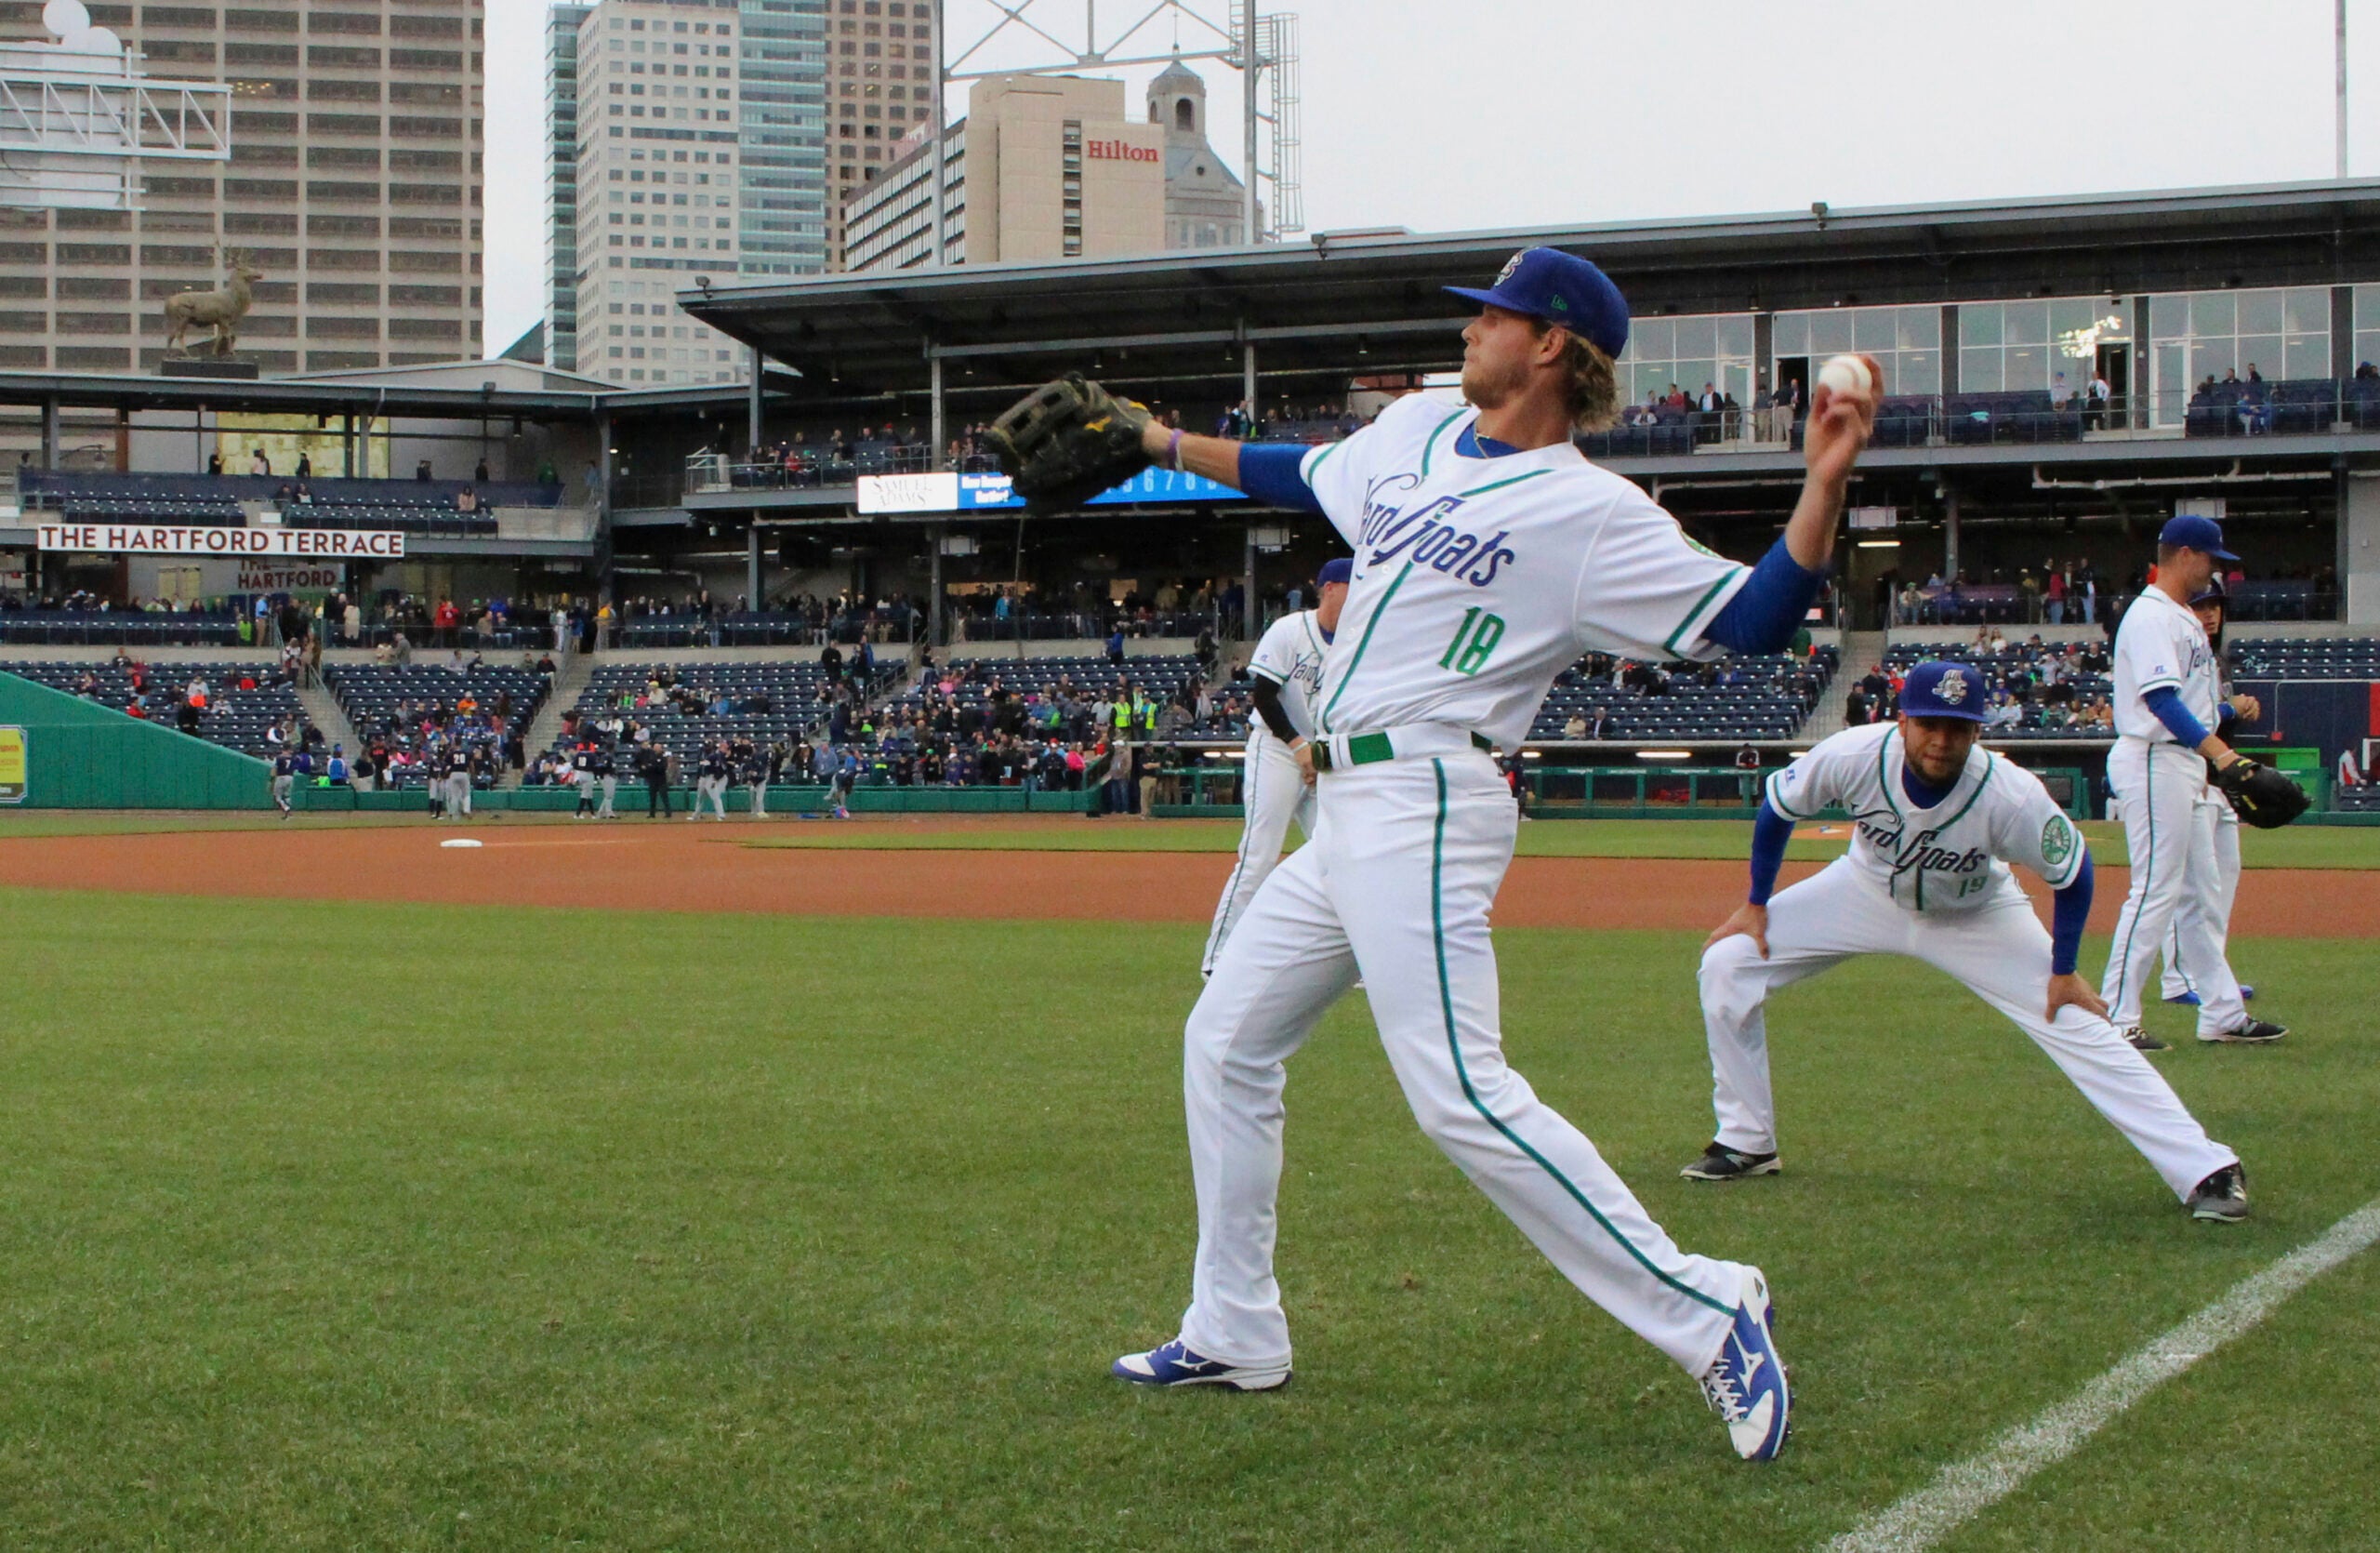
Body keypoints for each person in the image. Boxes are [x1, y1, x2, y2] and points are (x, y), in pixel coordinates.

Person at [1103, 247, 1878, 1462]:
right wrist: (1157, 441)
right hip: (1344, 803)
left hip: (1429, 792)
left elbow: (1758, 621)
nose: (1472, 331)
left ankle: (1706, 1306)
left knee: (1460, 1092)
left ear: (1554, 347)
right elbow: (1289, 470)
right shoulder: (1413, 429)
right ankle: (1234, 1323)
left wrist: (1822, 484)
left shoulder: (1588, 515)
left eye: (1497, 317)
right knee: (1225, 1041)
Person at [1688, 661, 2248, 1222]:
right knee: (1729, 962)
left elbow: (2073, 873)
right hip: (1863, 889)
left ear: (1978, 732)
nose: (1940, 740)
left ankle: (2206, 1168)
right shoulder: (1852, 754)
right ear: (1902, 720)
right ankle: (1747, 1138)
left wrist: (2064, 968)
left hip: (1977, 912)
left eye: (1957, 727)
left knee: (2074, 1018)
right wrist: (1757, 903)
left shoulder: (2009, 793)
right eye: (1929, 723)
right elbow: (1778, 809)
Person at [2099, 515, 2286, 1051]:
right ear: (2183, 555)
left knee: (2201, 894)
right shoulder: (2152, 616)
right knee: (2156, 890)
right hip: (2156, 758)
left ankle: (2222, 1013)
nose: (2214, 572)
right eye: (2210, 560)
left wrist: (2210, 761)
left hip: (2182, 763)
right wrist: (2223, 756)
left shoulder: (2179, 617)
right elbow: (2161, 702)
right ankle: (2117, 1019)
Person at [2159, 580, 2263, 1013]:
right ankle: (2178, 979)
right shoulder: (2178, 651)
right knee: (2193, 886)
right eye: (2200, 605)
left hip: (2218, 781)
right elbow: (2179, 715)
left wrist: (2239, 709)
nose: (2210, 613)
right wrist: (2229, 709)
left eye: (2215, 605)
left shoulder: (2215, 658)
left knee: (2222, 880)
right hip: (2187, 774)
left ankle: (2214, 975)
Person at [270, 748, 297, 817]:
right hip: (290, 777)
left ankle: (286, 808)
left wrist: (271, 780)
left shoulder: (278, 758)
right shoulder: (293, 758)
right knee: (287, 795)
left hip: (281, 777)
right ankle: (289, 809)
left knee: (277, 796)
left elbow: (274, 769)